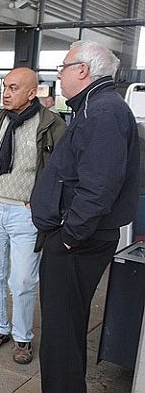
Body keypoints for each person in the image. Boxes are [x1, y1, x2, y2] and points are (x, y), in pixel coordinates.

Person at [30, 40, 139, 393]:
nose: (58, 74)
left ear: (83, 70)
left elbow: (99, 187)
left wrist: (68, 236)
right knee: (66, 328)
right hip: (76, 237)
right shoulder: (94, 107)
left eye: (63, 67)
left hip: (77, 241)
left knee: (61, 335)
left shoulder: (104, 111)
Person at [0, 67, 65, 364]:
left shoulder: (52, 125)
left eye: (14, 88)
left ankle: (23, 337)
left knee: (22, 281)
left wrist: (43, 202)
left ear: (32, 93)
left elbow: (62, 172)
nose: (6, 93)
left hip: (26, 214)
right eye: (5, 86)